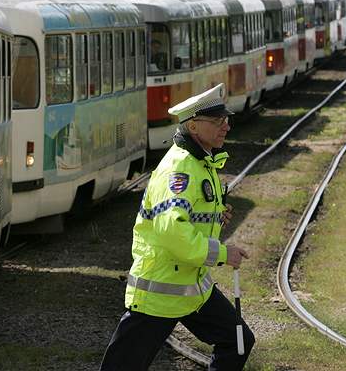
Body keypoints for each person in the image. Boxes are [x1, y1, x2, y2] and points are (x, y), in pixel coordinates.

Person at [100, 83, 255, 371]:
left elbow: (188, 216)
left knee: (238, 341)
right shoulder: (179, 169)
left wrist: (215, 215)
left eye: (227, 120)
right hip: (160, 292)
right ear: (194, 126)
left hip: (191, 288)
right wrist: (222, 253)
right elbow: (172, 231)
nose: (226, 126)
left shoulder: (201, 163)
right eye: (218, 121)